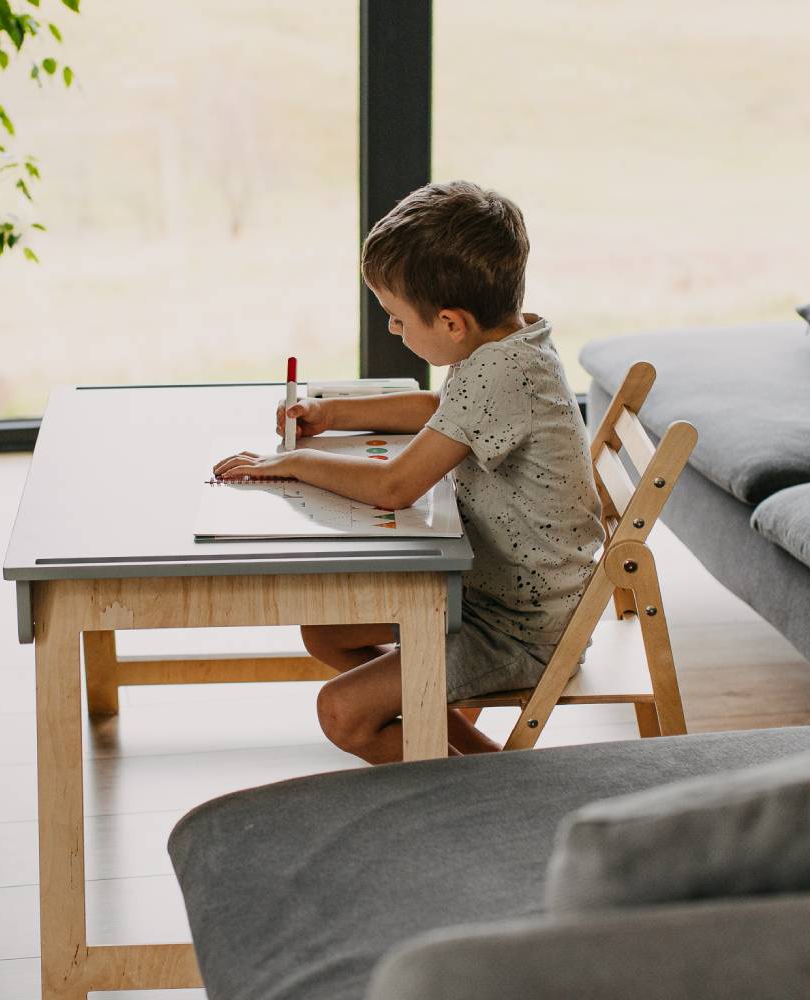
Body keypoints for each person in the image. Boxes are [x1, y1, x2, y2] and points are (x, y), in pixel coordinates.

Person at [213, 180, 604, 764]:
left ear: (450, 323)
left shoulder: (496, 372)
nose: (394, 331)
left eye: (397, 319)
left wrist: (293, 462)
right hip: (489, 591)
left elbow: (394, 488)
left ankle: (502, 790)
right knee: (324, 630)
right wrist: (330, 413)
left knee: (343, 714)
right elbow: (440, 413)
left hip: (524, 629)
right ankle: (490, 761)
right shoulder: (509, 342)